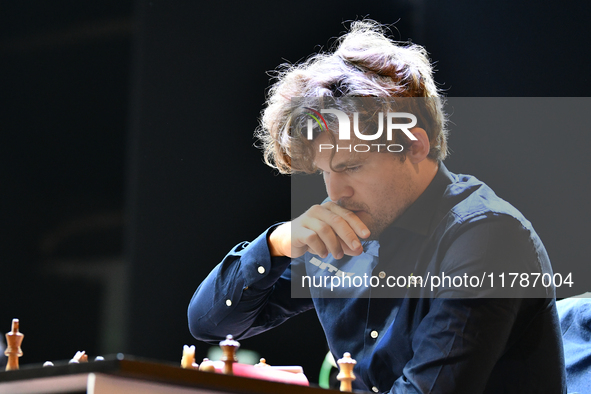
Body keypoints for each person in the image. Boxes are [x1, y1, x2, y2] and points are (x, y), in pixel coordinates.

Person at [188, 21, 566, 393]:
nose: (335, 193)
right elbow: (211, 323)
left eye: (351, 167)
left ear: (415, 145)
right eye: (324, 172)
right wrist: (277, 244)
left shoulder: (487, 238)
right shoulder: (345, 223)